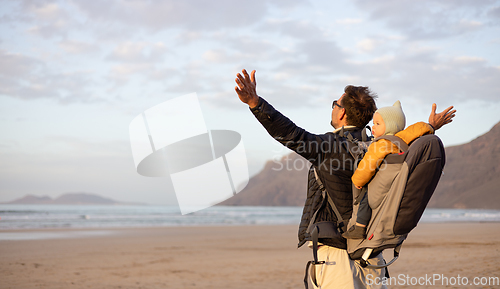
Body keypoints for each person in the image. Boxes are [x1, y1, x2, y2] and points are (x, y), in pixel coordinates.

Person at [234, 69, 455, 289]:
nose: (333, 109)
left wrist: (255, 102)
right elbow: (406, 139)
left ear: (342, 113)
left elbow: (291, 134)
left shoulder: (329, 147)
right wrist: (431, 127)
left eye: (335, 104)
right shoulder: (383, 147)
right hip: (373, 255)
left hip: (336, 255)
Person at [342, 100, 435, 239]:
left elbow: (368, 165)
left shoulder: (381, 144)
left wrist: (358, 180)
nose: (373, 127)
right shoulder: (403, 139)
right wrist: (430, 126)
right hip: (396, 186)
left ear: (392, 126)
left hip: (381, 186)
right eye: (373, 123)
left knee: (365, 197)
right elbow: (417, 129)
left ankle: (360, 227)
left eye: (378, 124)